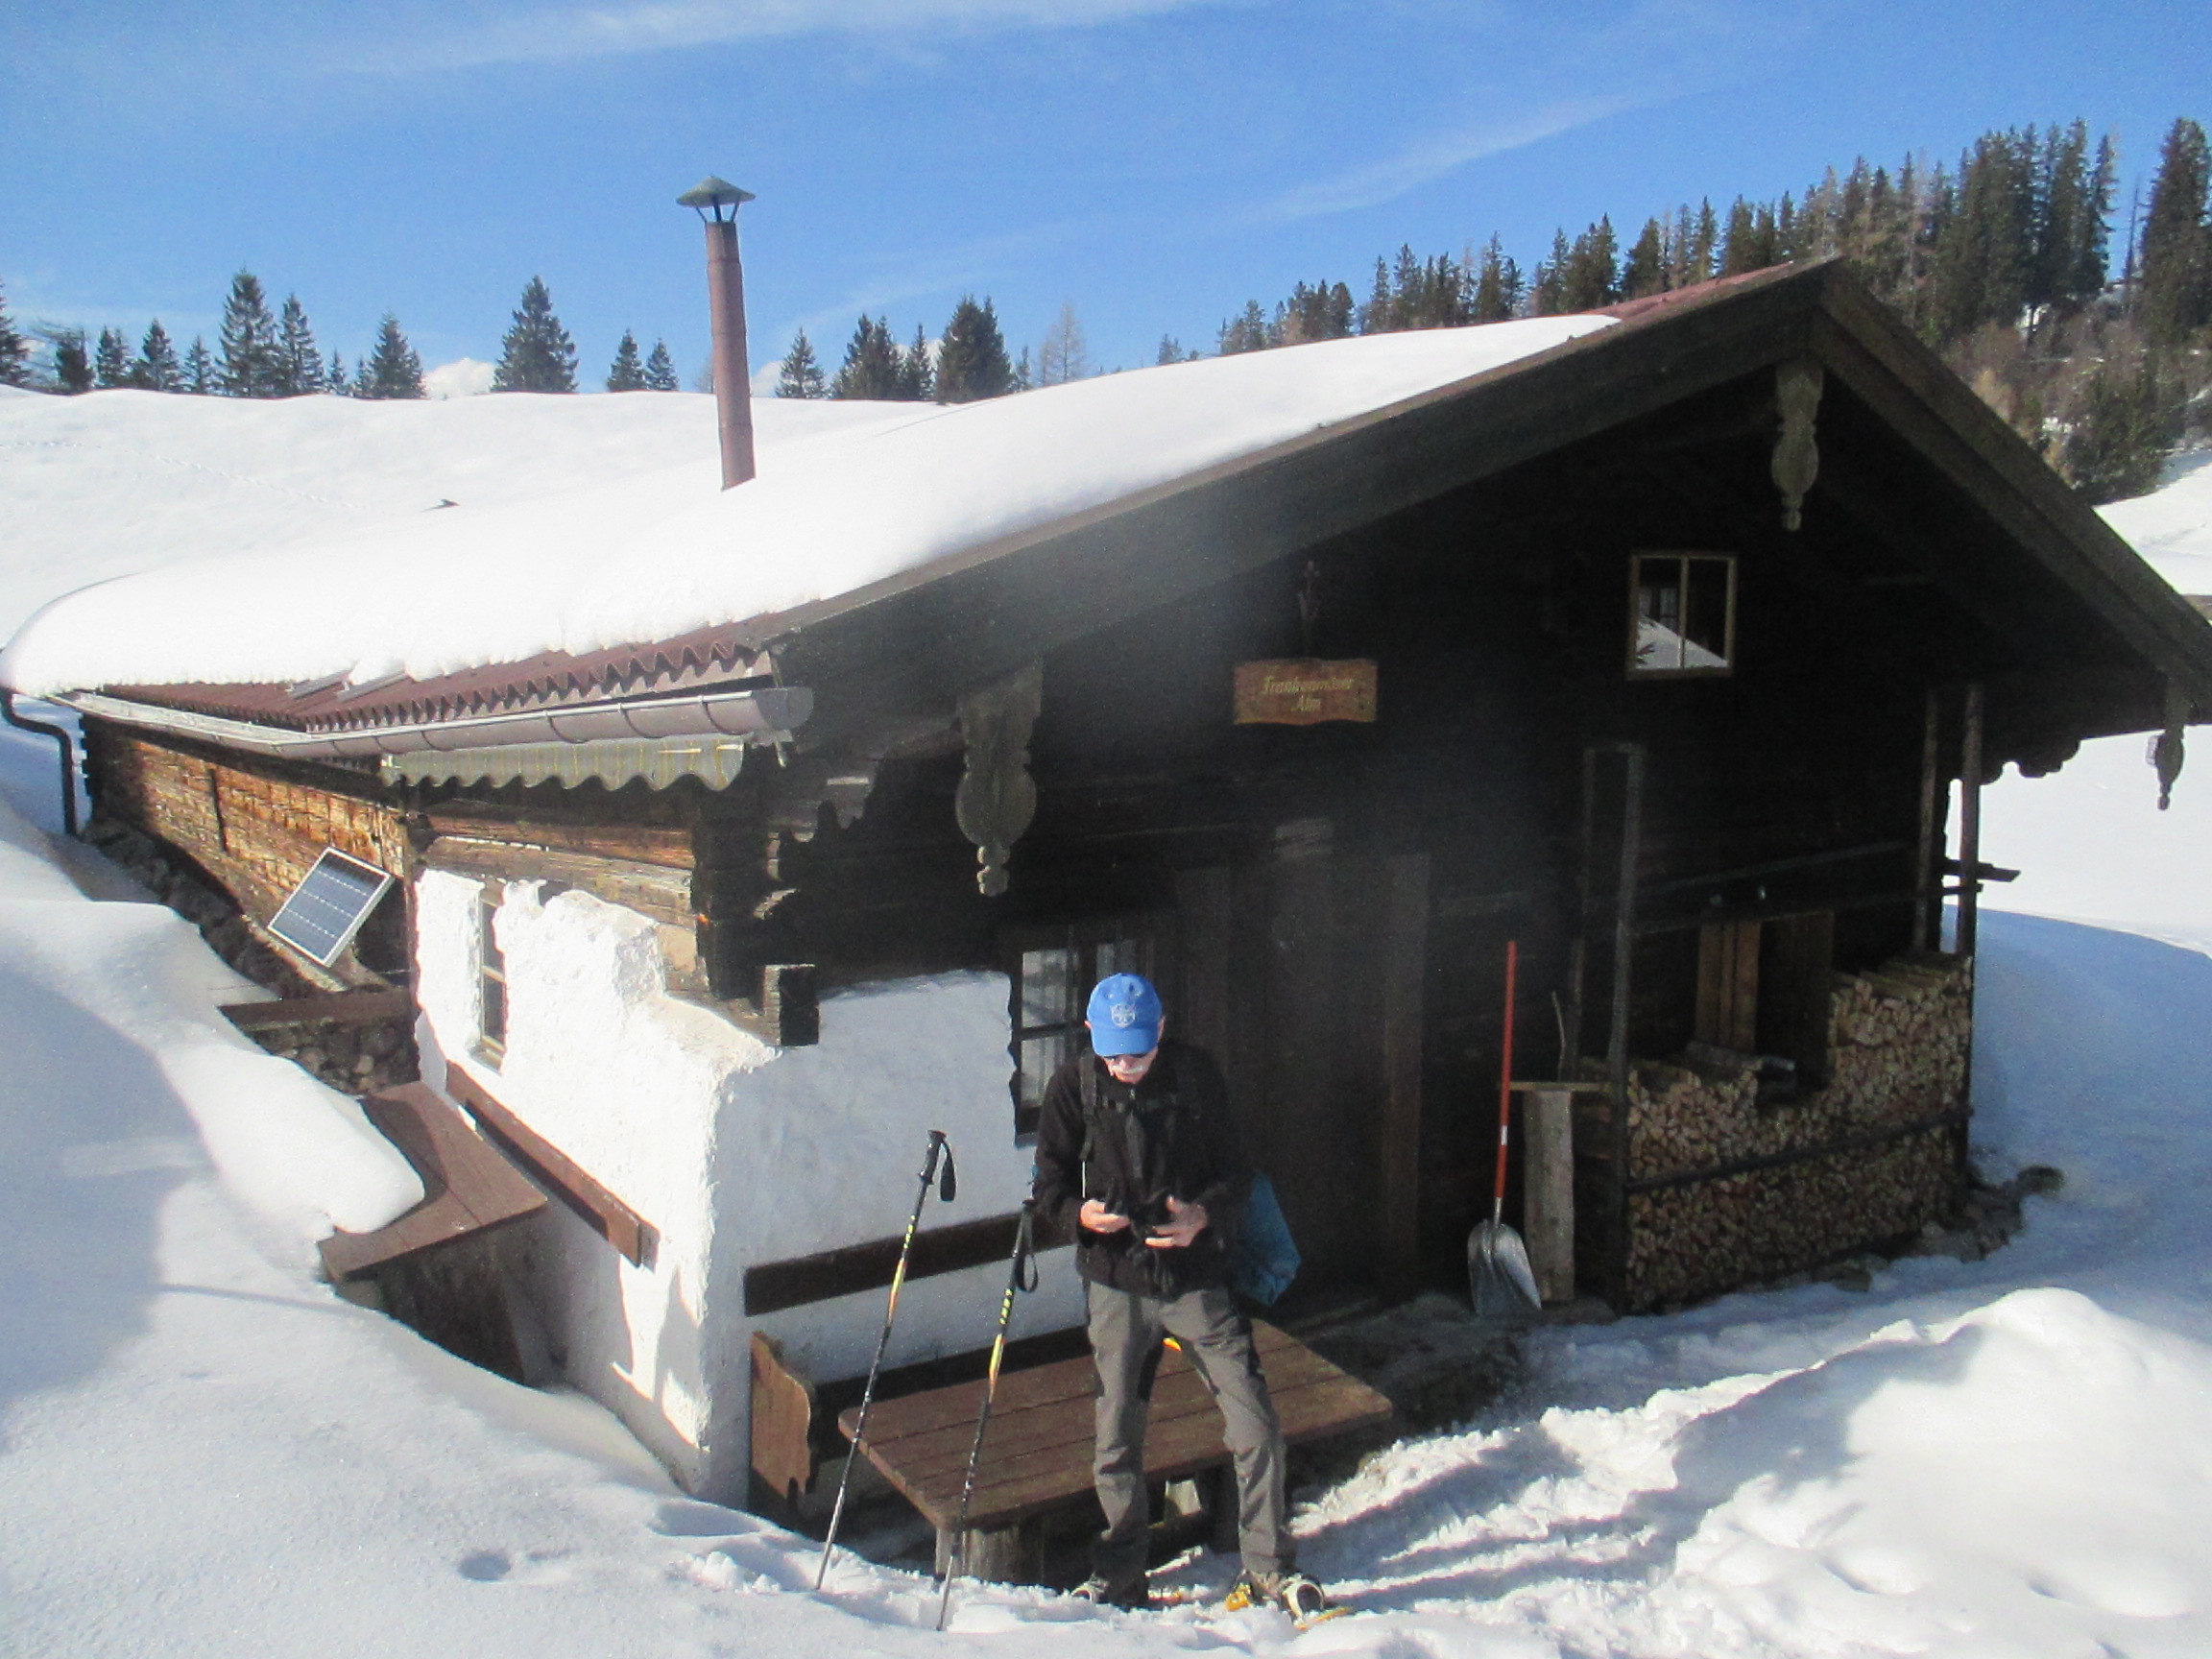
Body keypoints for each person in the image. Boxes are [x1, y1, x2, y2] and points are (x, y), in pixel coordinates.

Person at [1031, 972, 1329, 1619]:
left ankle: (1271, 1569)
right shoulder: (1073, 1086)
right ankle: (1118, 1575)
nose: (1125, 1067)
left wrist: (1202, 1216)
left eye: (1136, 1053)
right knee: (1115, 1438)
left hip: (1197, 1281)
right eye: (1113, 1054)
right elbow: (1047, 1186)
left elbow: (1238, 1174)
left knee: (1255, 1424)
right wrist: (1081, 1216)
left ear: (1160, 1030)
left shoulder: (1197, 1077)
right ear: (1091, 1037)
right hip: (1115, 1285)